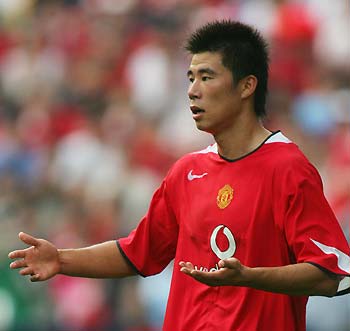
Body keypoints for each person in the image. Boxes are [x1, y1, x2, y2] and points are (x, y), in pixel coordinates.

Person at [8, 20, 350, 331]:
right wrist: (62, 259)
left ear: (247, 86)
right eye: (190, 78)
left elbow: (333, 274)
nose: (193, 90)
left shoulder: (288, 167)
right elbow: (138, 252)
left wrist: (249, 277)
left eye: (207, 77)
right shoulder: (186, 172)